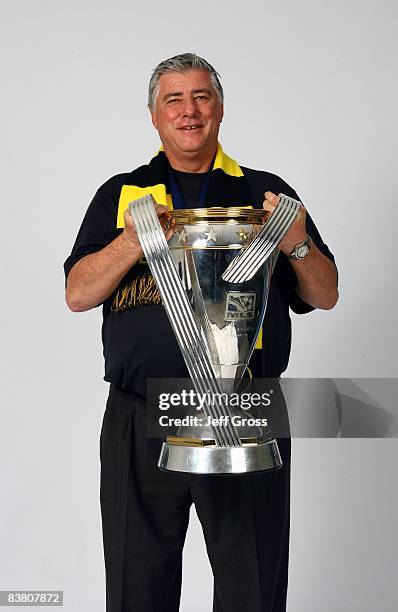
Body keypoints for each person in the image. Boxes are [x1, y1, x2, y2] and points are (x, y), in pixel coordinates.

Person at [64, 53, 338, 612]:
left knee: (252, 587)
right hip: (140, 414)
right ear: (154, 116)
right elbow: (78, 293)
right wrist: (130, 242)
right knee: (136, 587)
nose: (189, 111)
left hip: (246, 409)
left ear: (219, 108)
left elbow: (324, 293)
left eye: (201, 97)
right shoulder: (123, 193)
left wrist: (296, 243)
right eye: (174, 99)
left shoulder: (266, 194)